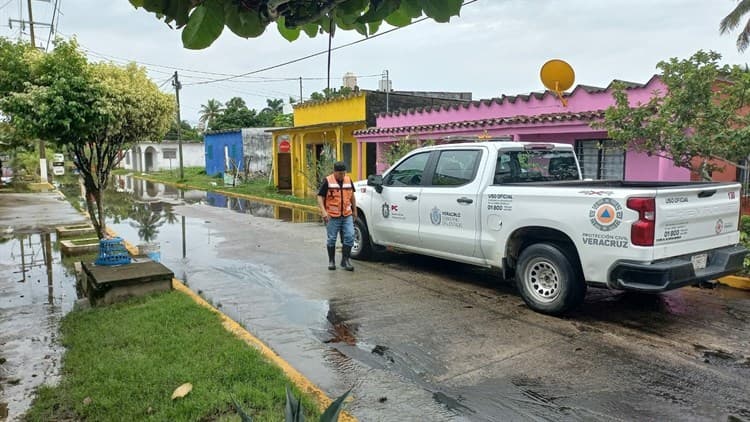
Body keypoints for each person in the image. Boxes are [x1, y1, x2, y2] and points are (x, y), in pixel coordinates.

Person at [317, 161, 357, 271]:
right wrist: (324, 212)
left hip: (347, 214)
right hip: (332, 216)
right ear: (335, 172)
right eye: (340, 173)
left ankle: (345, 261)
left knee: (350, 236)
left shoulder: (348, 180)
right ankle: (331, 261)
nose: (342, 176)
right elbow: (320, 197)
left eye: (344, 173)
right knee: (332, 239)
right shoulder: (328, 181)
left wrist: (355, 211)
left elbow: (352, 197)